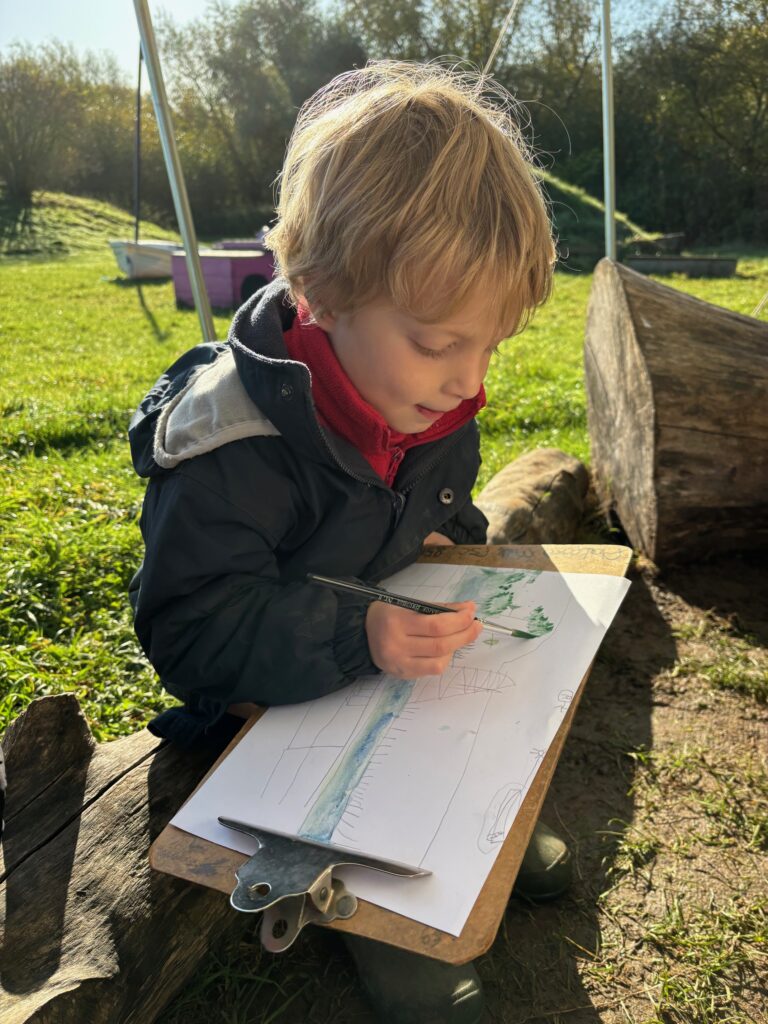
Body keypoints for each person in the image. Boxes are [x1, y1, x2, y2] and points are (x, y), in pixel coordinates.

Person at [128, 59, 570, 1024]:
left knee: (474, 740)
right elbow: (188, 630)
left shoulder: (429, 403)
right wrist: (351, 635)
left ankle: (476, 833)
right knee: (350, 814)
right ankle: (397, 926)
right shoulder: (231, 446)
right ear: (319, 288)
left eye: (491, 345)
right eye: (439, 342)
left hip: (391, 668)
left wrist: (471, 570)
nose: (470, 382)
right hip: (266, 705)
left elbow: (438, 516)